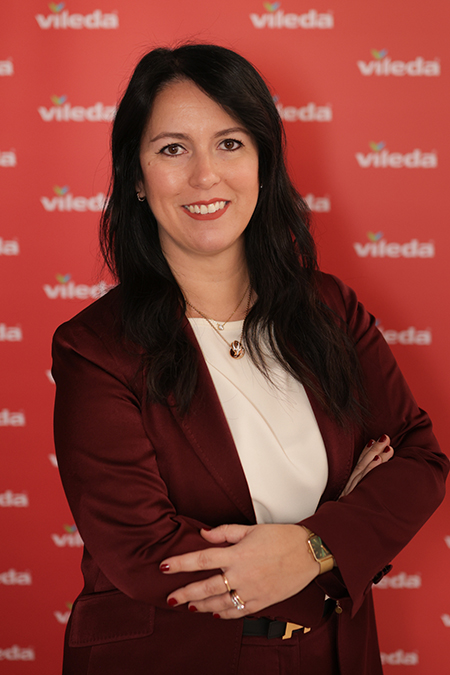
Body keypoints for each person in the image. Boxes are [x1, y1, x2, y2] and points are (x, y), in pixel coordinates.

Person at [52, 44, 448, 675]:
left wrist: (314, 546)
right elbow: (143, 551)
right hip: (174, 657)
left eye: (230, 143)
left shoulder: (330, 308)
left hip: (335, 655)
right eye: (173, 149)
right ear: (136, 177)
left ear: (264, 163)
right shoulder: (95, 347)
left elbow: (418, 460)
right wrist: (336, 541)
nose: (205, 176)